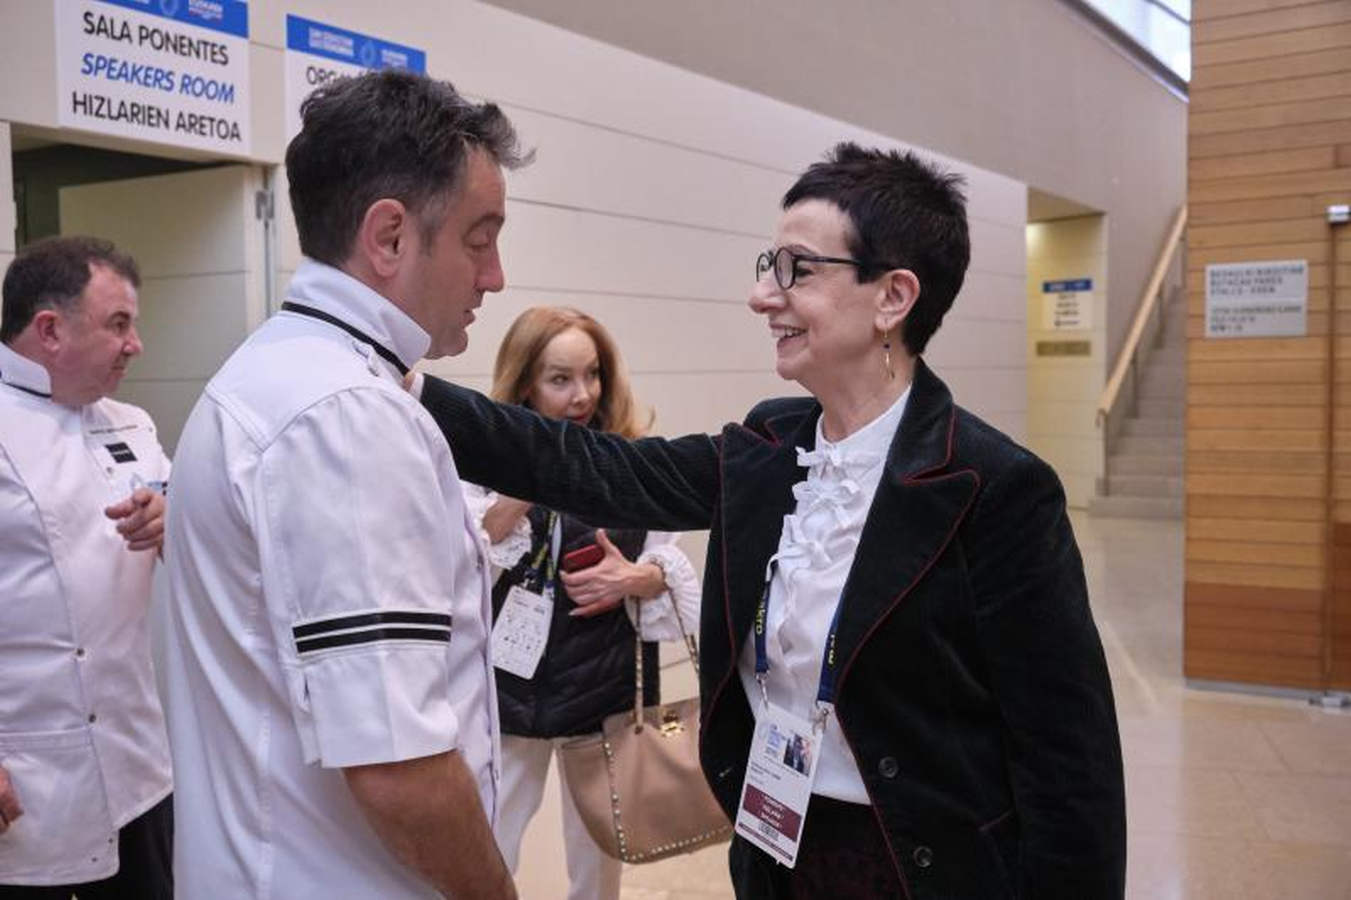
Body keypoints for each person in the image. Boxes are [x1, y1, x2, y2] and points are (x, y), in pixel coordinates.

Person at [412, 144, 1127, 898]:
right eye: (767, 265)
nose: (762, 296)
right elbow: (597, 466)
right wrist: (409, 383)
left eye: (797, 270)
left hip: (919, 867)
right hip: (775, 849)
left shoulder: (995, 489)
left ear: (892, 297)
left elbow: (1067, 766)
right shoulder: (768, 447)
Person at [159, 70, 527, 899]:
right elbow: (399, 767)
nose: (494, 276)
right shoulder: (346, 415)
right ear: (390, 235)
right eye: (479, 238)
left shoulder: (277, 372)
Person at [466, 306, 701, 900]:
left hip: (604, 691)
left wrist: (637, 579)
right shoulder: (486, 456)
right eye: (560, 379)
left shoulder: (628, 458)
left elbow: (665, 562)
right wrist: (532, 473)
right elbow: (464, 551)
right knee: (490, 845)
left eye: (592, 375)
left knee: (599, 858)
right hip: (512, 694)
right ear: (526, 382)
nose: (582, 395)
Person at [0, 236, 172, 899]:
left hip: (137, 764)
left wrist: (167, 520)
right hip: (28, 775)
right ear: (49, 329)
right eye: (119, 325)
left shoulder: (132, 425)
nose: (136, 345)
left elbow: (180, 513)